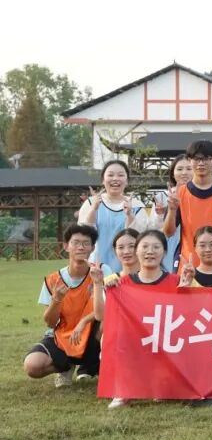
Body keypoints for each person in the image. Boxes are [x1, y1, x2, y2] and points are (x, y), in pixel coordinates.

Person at [103, 229, 177, 409]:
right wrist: (102, 286)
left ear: (164, 252)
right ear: (137, 251)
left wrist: (187, 287)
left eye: (156, 247)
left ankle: (161, 385)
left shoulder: (176, 282)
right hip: (133, 344)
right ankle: (123, 390)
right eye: (145, 247)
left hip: (166, 344)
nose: (150, 251)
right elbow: (103, 317)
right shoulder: (120, 284)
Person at [24, 224, 103, 386]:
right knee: (33, 366)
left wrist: (83, 322)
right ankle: (65, 366)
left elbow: (107, 309)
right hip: (63, 335)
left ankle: (96, 366)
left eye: (86, 243)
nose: (81, 247)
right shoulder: (53, 280)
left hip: (92, 334)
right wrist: (56, 300)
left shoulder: (101, 271)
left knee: (108, 322)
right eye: (76, 242)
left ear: (93, 247)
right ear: (66, 246)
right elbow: (50, 323)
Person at [163, 140, 212, 264]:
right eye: (197, 159)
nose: (201, 163)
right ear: (190, 160)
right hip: (188, 263)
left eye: (206, 159)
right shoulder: (179, 193)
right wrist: (172, 210)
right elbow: (168, 232)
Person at [78, 159, 160, 274]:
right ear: (103, 180)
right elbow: (83, 234)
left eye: (121, 175)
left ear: (127, 181)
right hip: (97, 267)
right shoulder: (91, 203)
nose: (115, 178)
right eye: (110, 175)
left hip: (130, 269)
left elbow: (140, 237)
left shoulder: (136, 205)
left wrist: (130, 215)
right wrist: (94, 210)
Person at [160, 154, 193, 273]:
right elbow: (163, 230)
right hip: (170, 247)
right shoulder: (163, 196)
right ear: (173, 173)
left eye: (189, 169)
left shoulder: (202, 194)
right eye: (179, 169)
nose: (184, 173)